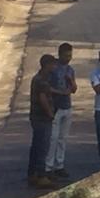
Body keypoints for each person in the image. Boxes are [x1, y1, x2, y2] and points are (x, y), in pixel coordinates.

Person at [46, 42, 77, 180]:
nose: (68, 58)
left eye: (70, 55)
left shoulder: (70, 70)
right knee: (53, 138)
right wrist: (59, 92)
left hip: (67, 105)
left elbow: (74, 89)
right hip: (55, 106)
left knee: (62, 138)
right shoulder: (53, 68)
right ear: (59, 54)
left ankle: (59, 165)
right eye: (66, 55)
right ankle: (48, 166)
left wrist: (70, 82)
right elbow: (46, 87)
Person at [28, 53, 57, 190]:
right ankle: (41, 175)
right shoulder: (42, 80)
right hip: (42, 117)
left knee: (36, 145)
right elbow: (42, 98)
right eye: (52, 64)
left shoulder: (37, 78)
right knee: (43, 146)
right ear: (47, 65)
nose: (54, 67)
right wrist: (50, 113)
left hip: (36, 116)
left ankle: (32, 173)